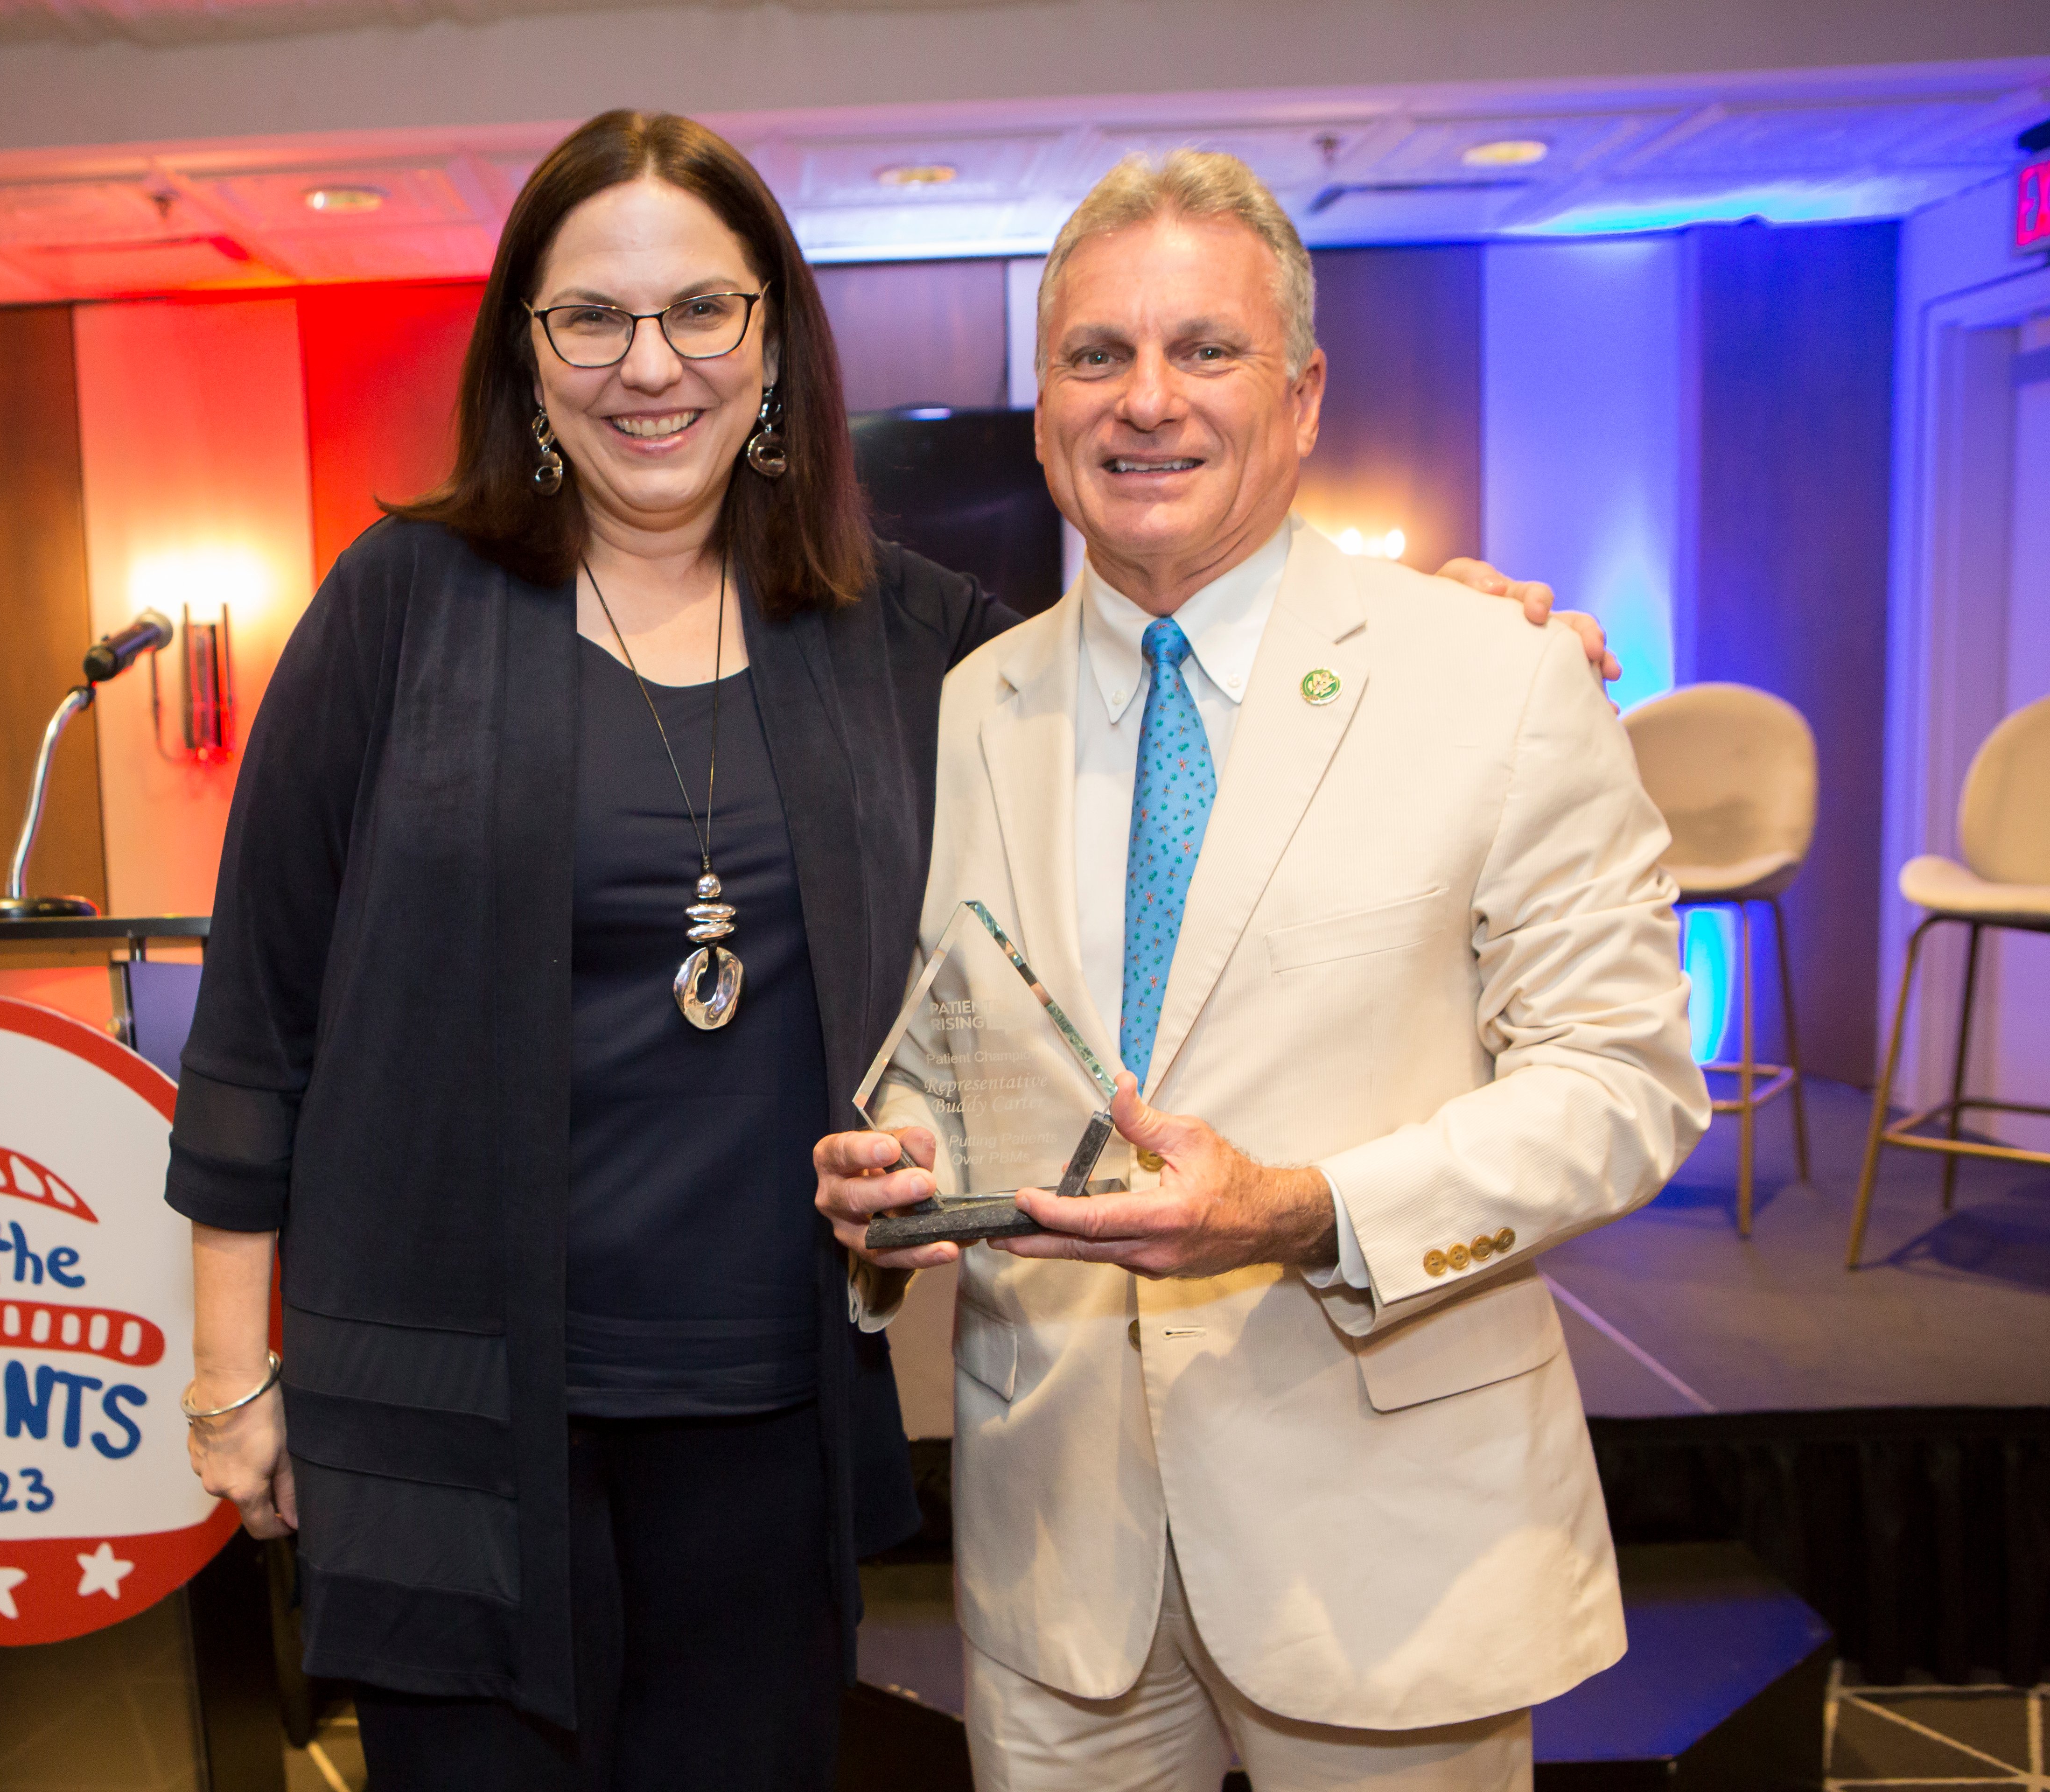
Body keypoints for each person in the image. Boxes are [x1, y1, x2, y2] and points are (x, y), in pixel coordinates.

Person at [168, 112, 1598, 1790]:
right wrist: (225, 1375)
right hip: (455, 1412)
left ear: (772, 339)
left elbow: (1164, 683)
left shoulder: (901, 632)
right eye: (594, 319)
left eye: (704, 312)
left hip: (767, 1413)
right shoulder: (398, 610)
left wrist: (1432, 620)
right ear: (528, 351)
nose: (653, 366)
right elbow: (258, 1024)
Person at [815, 150, 1709, 1791]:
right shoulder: (976, 706)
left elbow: (1624, 1089)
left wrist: (1303, 1206)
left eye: (1204, 351)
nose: (1145, 402)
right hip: (1060, 1557)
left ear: (1300, 397)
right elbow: (969, 1052)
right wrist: (903, 1183)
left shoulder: (1492, 679)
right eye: (1096, 357)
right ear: (1041, 412)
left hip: (1386, 1554)